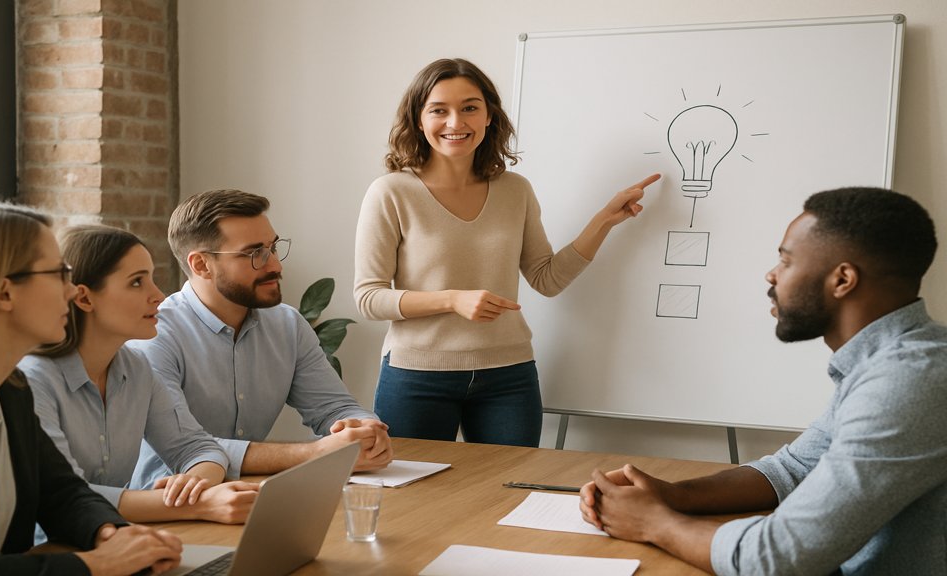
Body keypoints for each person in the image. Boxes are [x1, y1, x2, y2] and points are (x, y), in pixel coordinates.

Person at [579, 187, 947, 575]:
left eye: (786, 261)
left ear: (843, 280)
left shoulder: (909, 382)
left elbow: (781, 558)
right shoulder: (888, 362)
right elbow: (792, 469)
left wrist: (655, 522)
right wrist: (670, 495)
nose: (771, 275)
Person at [353, 57, 660, 447]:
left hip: (508, 376)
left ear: (488, 116)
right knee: (413, 502)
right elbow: (368, 298)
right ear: (418, 119)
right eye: (439, 110)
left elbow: (546, 279)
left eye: (469, 108)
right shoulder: (391, 192)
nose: (455, 123)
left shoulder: (515, 190)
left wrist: (603, 220)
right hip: (417, 377)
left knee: (512, 498)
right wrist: (452, 300)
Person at [0, 204, 182, 575]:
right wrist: (93, 565)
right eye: (59, 273)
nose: (70, 291)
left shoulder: (10, 391)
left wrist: (113, 535)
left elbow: (63, 492)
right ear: (4, 293)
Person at [129, 189, 392, 488]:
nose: (275, 266)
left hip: (251, 492)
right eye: (254, 254)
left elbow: (334, 408)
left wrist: (363, 429)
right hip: (166, 505)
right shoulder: (153, 335)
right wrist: (316, 452)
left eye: (273, 248)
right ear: (201, 265)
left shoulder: (287, 324)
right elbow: (185, 447)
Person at [18, 225, 260, 526]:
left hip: (119, 538)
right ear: (84, 299)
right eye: (136, 283)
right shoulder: (30, 381)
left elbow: (198, 448)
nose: (158, 296)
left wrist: (195, 483)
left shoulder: (137, 368)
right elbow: (67, 495)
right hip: (48, 554)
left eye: (151, 279)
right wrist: (195, 506)